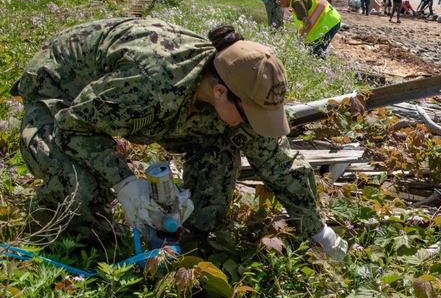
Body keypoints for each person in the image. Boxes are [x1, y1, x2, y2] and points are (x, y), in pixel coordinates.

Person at [13, 17, 348, 259]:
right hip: (58, 95)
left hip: (107, 103)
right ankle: (62, 224)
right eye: (251, 115)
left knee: (218, 151)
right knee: (82, 190)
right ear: (220, 92)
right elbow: (72, 127)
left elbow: (277, 160)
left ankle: (187, 235)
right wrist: (125, 182)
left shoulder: (237, 86)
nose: (254, 125)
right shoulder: (150, 84)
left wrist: (318, 230)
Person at [269, 0, 342, 58]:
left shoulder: (296, 1)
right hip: (330, 20)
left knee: (315, 54)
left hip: (329, 23)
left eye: (278, 2)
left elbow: (307, 23)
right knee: (314, 52)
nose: (280, 5)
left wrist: (300, 42)